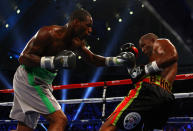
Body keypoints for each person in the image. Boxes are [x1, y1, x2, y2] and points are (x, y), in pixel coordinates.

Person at [9, 8, 138, 131]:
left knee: (25, 129)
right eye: (87, 25)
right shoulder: (48, 33)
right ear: (76, 22)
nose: (90, 30)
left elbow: (92, 59)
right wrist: (52, 61)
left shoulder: (76, 42)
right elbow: (23, 58)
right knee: (59, 120)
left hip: (41, 81)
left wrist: (118, 60)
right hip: (30, 79)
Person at [99, 33, 178, 131]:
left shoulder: (161, 42)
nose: (143, 50)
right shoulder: (156, 63)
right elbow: (137, 77)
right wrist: (130, 66)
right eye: (141, 48)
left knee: (107, 127)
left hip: (150, 92)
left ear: (152, 40)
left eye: (144, 45)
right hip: (167, 97)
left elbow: (173, 56)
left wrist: (145, 69)